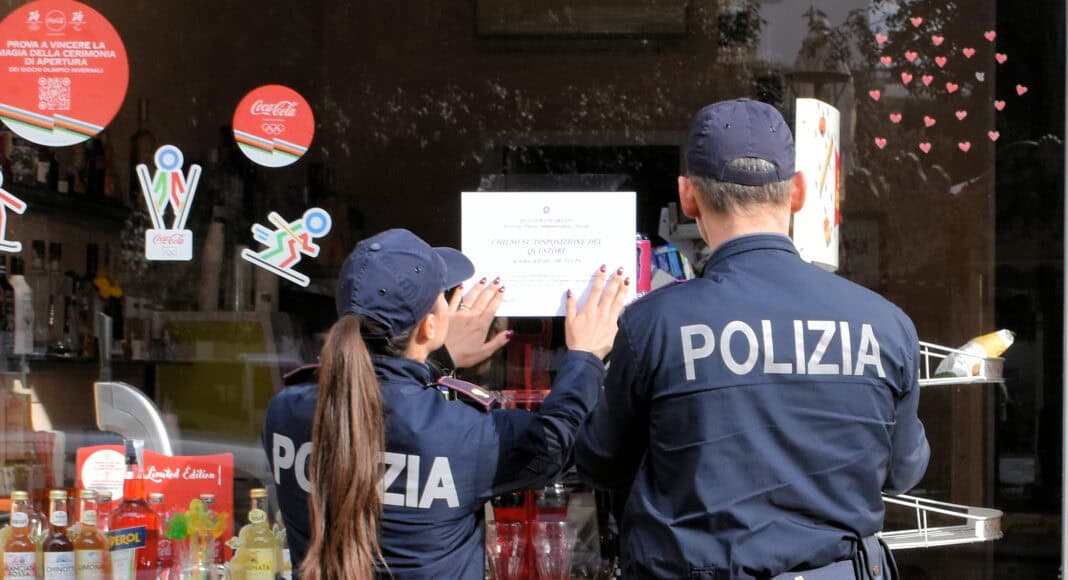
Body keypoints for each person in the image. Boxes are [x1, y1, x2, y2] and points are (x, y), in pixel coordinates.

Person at [574, 99, 930, 579]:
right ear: (798, 191)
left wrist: (581, 360)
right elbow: (904, 470)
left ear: (688, 196)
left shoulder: (654, 325)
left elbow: (601, 462)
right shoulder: (886, 325)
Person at [264, 228, 628, 579]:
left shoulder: (285, 411)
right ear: (429, 327)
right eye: (444, 296)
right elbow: (554, 443)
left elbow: (376, 414)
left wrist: (436, 361)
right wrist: (584, 356)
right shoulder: (461, 434)